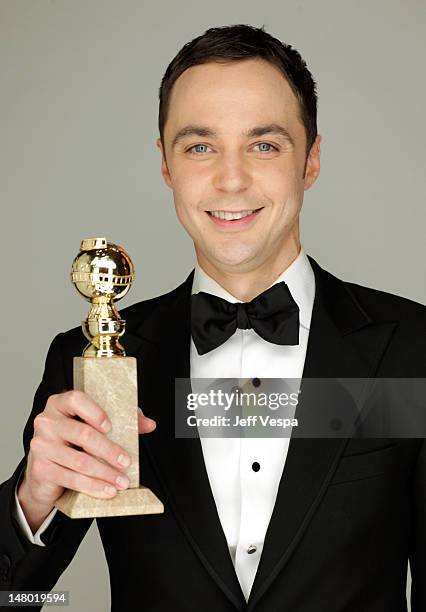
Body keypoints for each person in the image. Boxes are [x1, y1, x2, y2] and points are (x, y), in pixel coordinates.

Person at [0, 24, 425, 612]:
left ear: (312, 161)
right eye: (200, 146)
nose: (231, 179)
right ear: (166, 165)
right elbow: (15, 598)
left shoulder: (414, 350)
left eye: (264, 144)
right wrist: (33, 500)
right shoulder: (91, 361)